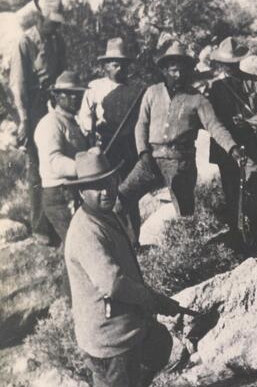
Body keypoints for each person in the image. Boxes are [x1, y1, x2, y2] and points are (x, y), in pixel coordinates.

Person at [63, 148, 179, 387]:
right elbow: (112, 283)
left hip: (126, 327)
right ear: (80, 192)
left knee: (160, 343)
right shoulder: (85, 231)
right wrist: (153, 299)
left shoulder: (103, 216)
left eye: (109, 181)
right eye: (95, 186)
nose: (106, 190)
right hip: (110, 339)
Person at [118, 41, 242, 233]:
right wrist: (143, 152)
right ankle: (127, 245)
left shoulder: (198, 99)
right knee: (121, 199)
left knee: (185, 216)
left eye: (182, 70)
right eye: (173, 70)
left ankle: (190, 252)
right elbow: (141, 124)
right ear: (165, 70)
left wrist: (232, 147)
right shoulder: (152, 92)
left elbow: (214, 125)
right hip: (150, 160)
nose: (178, 75)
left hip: (181, 163)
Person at [205, 36, 257, 247]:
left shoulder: (254, 82)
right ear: (220, 63)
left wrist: (251, 121)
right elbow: (209, 119)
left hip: (252, 143)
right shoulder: (214, 88)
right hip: (226, 148)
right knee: (233, 194)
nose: (229, 67)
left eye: (233, 63)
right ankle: (239, 240)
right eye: (225, 64)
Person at [9, 0, 67, 245]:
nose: (56, 26)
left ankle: (56, 220)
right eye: (52, 22)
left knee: (55, 161)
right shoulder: (25, 43)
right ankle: (40, 227)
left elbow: (63, 72)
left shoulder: (56, 41)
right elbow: (18, 84)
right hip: (32, 108)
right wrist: (23, 119)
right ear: (41, 18)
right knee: (36, 166)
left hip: (53, 104)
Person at [78, 38, 146, 230]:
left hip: (127, 147)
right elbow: (84, 117)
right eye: (116, 65)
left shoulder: (135, 89)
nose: (120, 69)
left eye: (124, 65)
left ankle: (134, 239)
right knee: (106, 193)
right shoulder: (94, 87)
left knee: (127, 192)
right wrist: (92, 138)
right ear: (105, 66)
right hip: (104, 147)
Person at [32, 71, 88, 244]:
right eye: (69, 94)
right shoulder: (51, 123)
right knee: (76, 243)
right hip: (59, 193)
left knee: (81, 241)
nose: (75, 98)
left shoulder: (70, 122)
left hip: (71, 190)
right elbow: (54, 161)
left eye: (79, 93)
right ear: (56, 96)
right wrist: (87, 167)